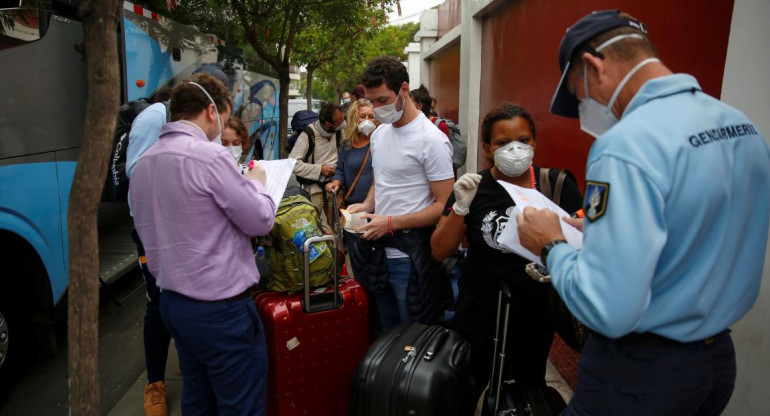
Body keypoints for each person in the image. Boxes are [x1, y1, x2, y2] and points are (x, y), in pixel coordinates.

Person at [516, 10, 770, 416]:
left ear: (593, 66)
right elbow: (698, 225)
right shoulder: (741, 126)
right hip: (715, 362)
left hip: (639, 373)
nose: (589, 112)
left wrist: (551, 245)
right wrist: (605, 229)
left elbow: (608, 308)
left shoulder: (626, 145)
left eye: (581, 98)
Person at [130, 72, 275, 416]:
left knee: (198, 398)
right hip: (221, 311)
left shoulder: (144, 164)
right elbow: (259, 219)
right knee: (241, 404)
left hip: (174, 305)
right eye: (225, 115)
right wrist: (258, 184)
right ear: (213, 111)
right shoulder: (210, 158)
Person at [430, 103, 582, 400]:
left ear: (534, 143)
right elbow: (440, 250)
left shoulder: (557, 185)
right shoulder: (474, 187)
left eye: (523, 141)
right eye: (503, 143)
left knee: (527, 391)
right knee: (471, 388)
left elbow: (583, 244)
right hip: (480, 311)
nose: (515, 149)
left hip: (536, 315)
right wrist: (461, 207)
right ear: (487, 148)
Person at [125, 66, 230, 416]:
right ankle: (155, 383)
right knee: (159, 301)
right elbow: (137, 172)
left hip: (191, 226)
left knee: (188, 299)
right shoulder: (155, 116)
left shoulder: (205, 126)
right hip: (156, 229)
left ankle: (191, 353)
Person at [347, 56, 455, 330]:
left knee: (411, 339)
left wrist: (392, 223)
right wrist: (367, 204)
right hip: (378, 255)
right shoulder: (380, 135)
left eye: (383, 100)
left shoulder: (431, 140)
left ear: (404, 90)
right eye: (371, 101)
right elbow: (381, 180)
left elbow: (444, 206)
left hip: (411, 259)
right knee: (385, 333)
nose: (377, 108)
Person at [325, 99, 377, 271]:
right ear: (355, 118)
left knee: (373, 261)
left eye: (372, 116)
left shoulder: (381, 142)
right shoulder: (347, 144)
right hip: (352, 210)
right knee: (356, 258)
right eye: (363, 116)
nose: (368, 120)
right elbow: (340, 168)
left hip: (376, 212)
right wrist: (336, 182)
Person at [288, 102, 344, 228]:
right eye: (339, 122)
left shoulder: (339, 132)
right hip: (315, 190)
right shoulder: (308, 134)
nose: (343, 124)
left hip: (335, 186)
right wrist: (319, 169)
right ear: (328, 124)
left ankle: (336, 246)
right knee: (314, 225)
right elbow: (293, 163)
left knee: (336, 225)